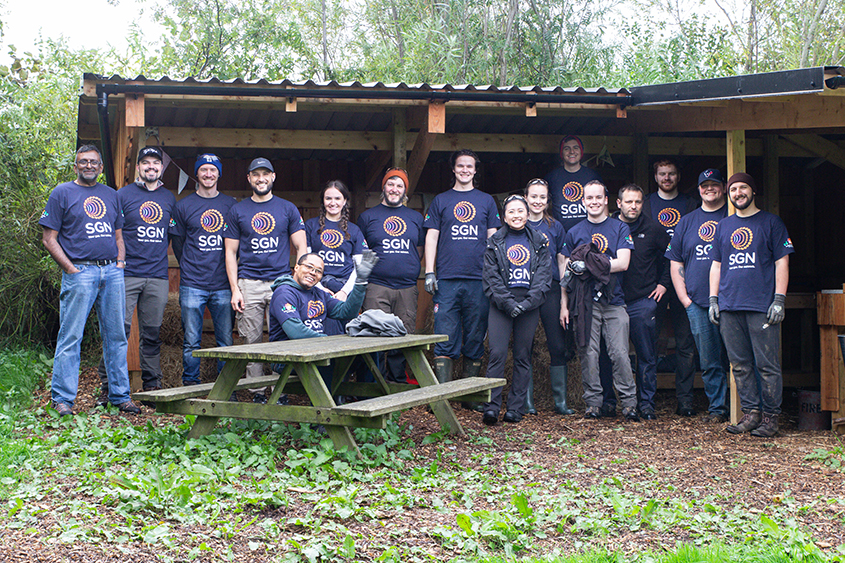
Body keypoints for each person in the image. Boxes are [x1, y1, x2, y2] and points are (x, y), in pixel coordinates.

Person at [39, 145, 140, 415]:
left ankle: (120, 396)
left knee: (117, 336)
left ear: (101, 167)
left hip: (112, 272)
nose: (88, 166)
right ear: (75, 166)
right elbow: (49, 239)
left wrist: (119, 264)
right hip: (80, 273)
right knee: (71, 336)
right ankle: (62, 399)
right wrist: (71, 270)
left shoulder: (110, 195)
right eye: (83, 162)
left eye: (93, 162)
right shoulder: (62, 193)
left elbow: (119, 236)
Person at [709, 173, 793, 437]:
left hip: (761, 304)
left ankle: (770, 418)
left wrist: (779, 299)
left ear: (753, 191)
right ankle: (751, 414)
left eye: (743, 187)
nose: (738, 193)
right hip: (730, 305)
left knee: (767, 364)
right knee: (740, 364)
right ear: (728, 194)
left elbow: (782, 261)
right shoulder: (723, 226)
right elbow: (716, 264)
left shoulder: (771, 222)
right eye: (733, 189)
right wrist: (713, 299)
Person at [224, 157, 307, 404]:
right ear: (249, 178)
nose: (261, 179)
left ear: (273, 177)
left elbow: (301, 244)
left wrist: (296, 282)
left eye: (266, 174)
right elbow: (230, 252)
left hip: (280, 284)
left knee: (280, 341)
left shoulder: (288, 208)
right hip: (248, 283)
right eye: (256, 175)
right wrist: (235, 289)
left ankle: (279, 392)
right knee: (250, 341)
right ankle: (258, 393)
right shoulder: (237, 210)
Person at [97, 146, 175, 402]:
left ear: (161, 168)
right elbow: (110, 231)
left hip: (157, 276)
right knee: (118, 329)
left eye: (155, 163)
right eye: (146, 163)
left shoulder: (168, 198)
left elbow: (174, 235)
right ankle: (108, 385)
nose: (151, 167)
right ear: (139, 167)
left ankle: (152, 385)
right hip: (126, 273)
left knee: (152, 332)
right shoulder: (123, 195)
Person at [423, 150, 500, 395]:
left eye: (469, 166)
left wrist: (494, 274)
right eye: (460, 166)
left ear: (475, 170)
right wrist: (429, 271)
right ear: (453, 169)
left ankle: (469, 395)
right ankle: (443, 395)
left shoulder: (486, 200)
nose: (465, 170)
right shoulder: (441, 200)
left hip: (478, 279)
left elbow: (493, 239)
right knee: (444, 333)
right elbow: (432, 236)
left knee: (476, 334)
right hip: (446, 279)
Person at [561, 180, 639, 421]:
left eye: (598, 198)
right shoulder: (574, 232)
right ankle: (593, 404)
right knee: (589, 353)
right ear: (583, 201)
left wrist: (589, 265)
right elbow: (565, 271)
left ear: (606, 200)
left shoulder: (619, 228)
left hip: (614, 302)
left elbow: (623, 263)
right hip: (584, 304)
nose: (594, 202)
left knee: (619, 354)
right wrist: (564, 305)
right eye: (589, 198)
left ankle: (629, 404)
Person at [666, 168, 730, 423]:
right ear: (699, 190)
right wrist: (685, 300)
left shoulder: (733, 216)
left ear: (724, 187)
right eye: (705, 185)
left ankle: (748, 408)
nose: (709, 189)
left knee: (740, 358)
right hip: (698, 302)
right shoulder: (687, 221)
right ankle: (718, 409)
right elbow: (675, 262)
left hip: (732, 300)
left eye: (714, 184)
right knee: (710, 360)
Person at [481, 195, 552, 425]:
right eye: (511, 211)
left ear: (528, 214)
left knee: (523, 356)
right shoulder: (494, 242)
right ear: (504, 216)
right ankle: (491, 407)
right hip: (502, 304)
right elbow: (491, 278)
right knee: (497, 353)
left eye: (520, 211)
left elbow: (543, 277)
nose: (516, 215)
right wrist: (509, 303)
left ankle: (515, 408)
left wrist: (526, 303)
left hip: (528, 305)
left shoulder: (540, 241)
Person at [170, 153, 236, 387]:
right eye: (203, 170)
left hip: (223, 285)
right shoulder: (184, 206)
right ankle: (190, 385)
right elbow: (178, 242)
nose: (208, 174)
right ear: (196, 173)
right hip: (192, 283)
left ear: (219, 173)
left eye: (212, 170)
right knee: (190, 341)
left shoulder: (231, 204)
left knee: (226, 340)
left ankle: (225, 387)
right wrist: (189, 264)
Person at [357, 168, 425, 382]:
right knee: (373, 337)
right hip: (376, 285)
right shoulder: (368, 217)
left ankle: (397, 382)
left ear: (405, 191)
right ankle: (372, 384)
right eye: (390, 184)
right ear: (383, 187)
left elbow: (420, 250)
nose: (394, 189)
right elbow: (362, 252)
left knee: (403, 337)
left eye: (399, 185)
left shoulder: (415, 217)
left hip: (406, 287)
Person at [644, 159, 697, 417]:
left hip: (683, 281)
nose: (667, 178)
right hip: (651, 283)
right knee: (649, 342)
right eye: (662, 174)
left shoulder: (690, 204)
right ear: (655, 177)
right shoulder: (646, 203)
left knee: (686, 342)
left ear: (678, 176)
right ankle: (647, 401)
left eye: (672, 174)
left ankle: (685, 401)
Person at [615, 183, 671, 420]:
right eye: (629, 201)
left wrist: (663, 284)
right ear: (619, 203)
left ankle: (646, 403)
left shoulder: (654, 229)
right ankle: (612, 402)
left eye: (638, 202)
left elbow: (672, 255)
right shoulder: (610, 226)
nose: (633, 206)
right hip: (614, 301)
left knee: (647, 354)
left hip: (643, 300)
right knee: (614, 354)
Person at [523, 178, 575, 415]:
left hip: (551, 289)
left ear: (547, 200)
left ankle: (560, 402)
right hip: (524, 291)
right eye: (533, 196)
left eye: (542, 197)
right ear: (526, 197)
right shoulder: (517, 223)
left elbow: (562, 262)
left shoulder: (555, 226)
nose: (537, 201)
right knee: (525, 346)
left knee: (556, 344)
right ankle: (526, 401)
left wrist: (564, 301)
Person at [268, 251, 379, 342]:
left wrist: (360, 283)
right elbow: (296, 332)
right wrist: (330, 342)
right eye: (309, 267)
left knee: (366, 357)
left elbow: (347, 312)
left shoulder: (319, 293)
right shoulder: (284, 293)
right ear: (296, 267)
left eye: (318, 271)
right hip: (290, 356)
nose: (313, 272)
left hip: (318, 350)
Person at [305, 180, 367, 336]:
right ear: (323, 201)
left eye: (337, 198)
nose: (333, 203)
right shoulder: (311, 226)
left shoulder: (354, 230)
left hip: (345, 291)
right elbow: (306, 263)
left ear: (345, 201)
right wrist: (320, 289)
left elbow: (359, 266)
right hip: (318, 290)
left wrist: (344, 292)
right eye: (328, 198)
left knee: (347, 337)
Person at [544, 135, 602, 231]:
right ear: (561, 153)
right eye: (567, 148)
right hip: (561, 233)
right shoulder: (552, 177)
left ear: (581, 151)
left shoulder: (592, 175)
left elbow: (603, 204)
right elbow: (544, 205)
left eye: (576, 148)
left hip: (589, 232)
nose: (572, 152)